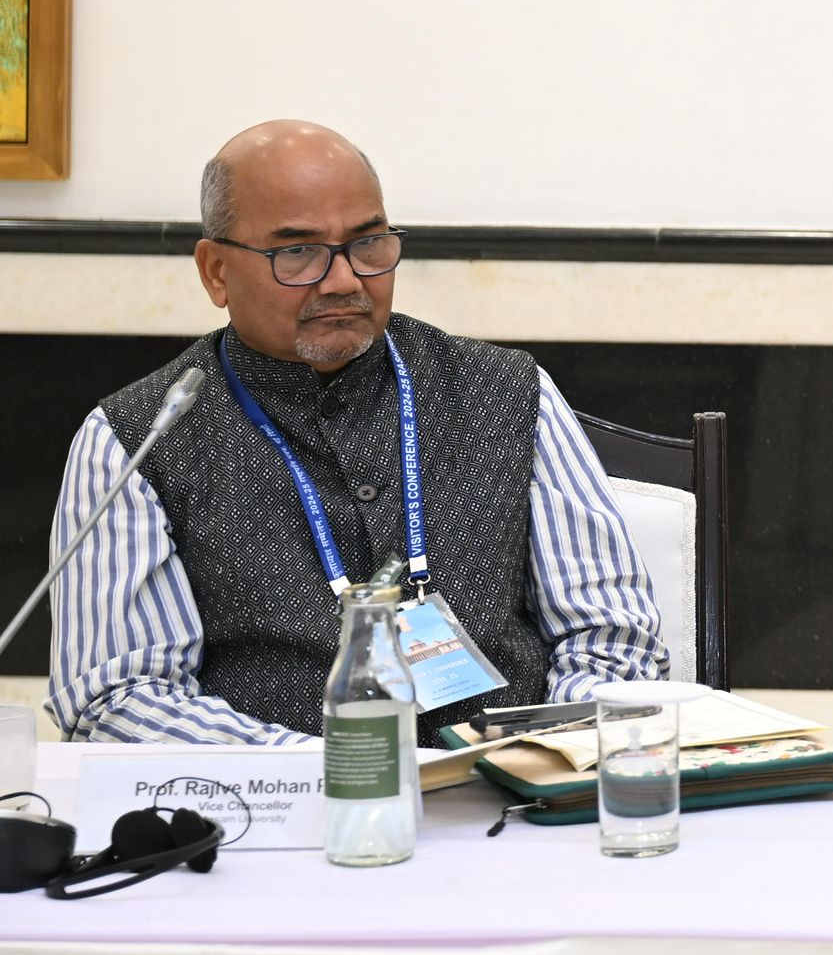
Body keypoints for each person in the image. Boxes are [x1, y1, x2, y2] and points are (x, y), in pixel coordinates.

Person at [46, 121, 667, 744]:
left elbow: (612, 640)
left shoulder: (505, 390)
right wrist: (333, 774)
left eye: (368, 244)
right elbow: (118, 695)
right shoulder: (138, 439)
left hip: (505, 785)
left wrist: (545, 754)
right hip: (274, 799)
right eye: (297, 252)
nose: (344, 279)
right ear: (216, 271)